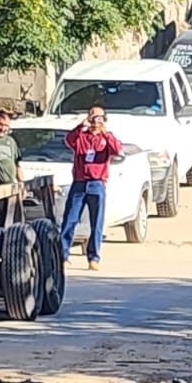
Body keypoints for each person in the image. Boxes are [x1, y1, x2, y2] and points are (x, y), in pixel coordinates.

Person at [59, 107, 123, 270]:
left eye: (100, 118)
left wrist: (105, 133)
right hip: (79, 183)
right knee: (70, 220)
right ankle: (63, 255)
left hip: (97, 184)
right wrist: (82, 126)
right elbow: (68, 139)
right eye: (94, 117)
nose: (96, 121)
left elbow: (116, 150)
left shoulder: (106, 138)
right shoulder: (82, 137)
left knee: (96, 223)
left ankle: (93, 257)